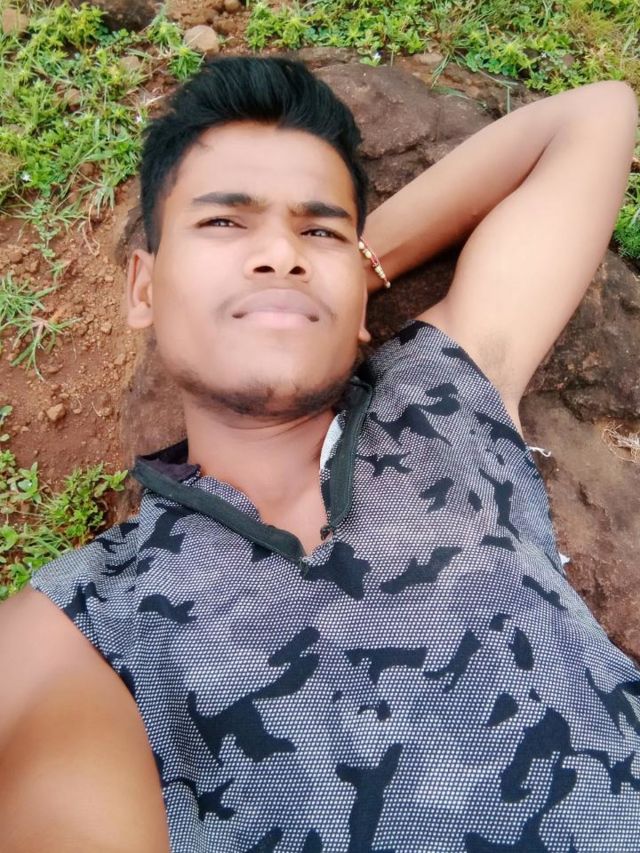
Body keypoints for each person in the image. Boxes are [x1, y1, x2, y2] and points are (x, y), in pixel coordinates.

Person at [0, 55, 638, 852]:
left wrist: (344, 274)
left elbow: (595, 115)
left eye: (318, 229)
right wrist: (313, 267)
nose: (280, 251)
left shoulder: (443, 389)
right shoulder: (79, 624)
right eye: (224, 222)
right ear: (144, 288)